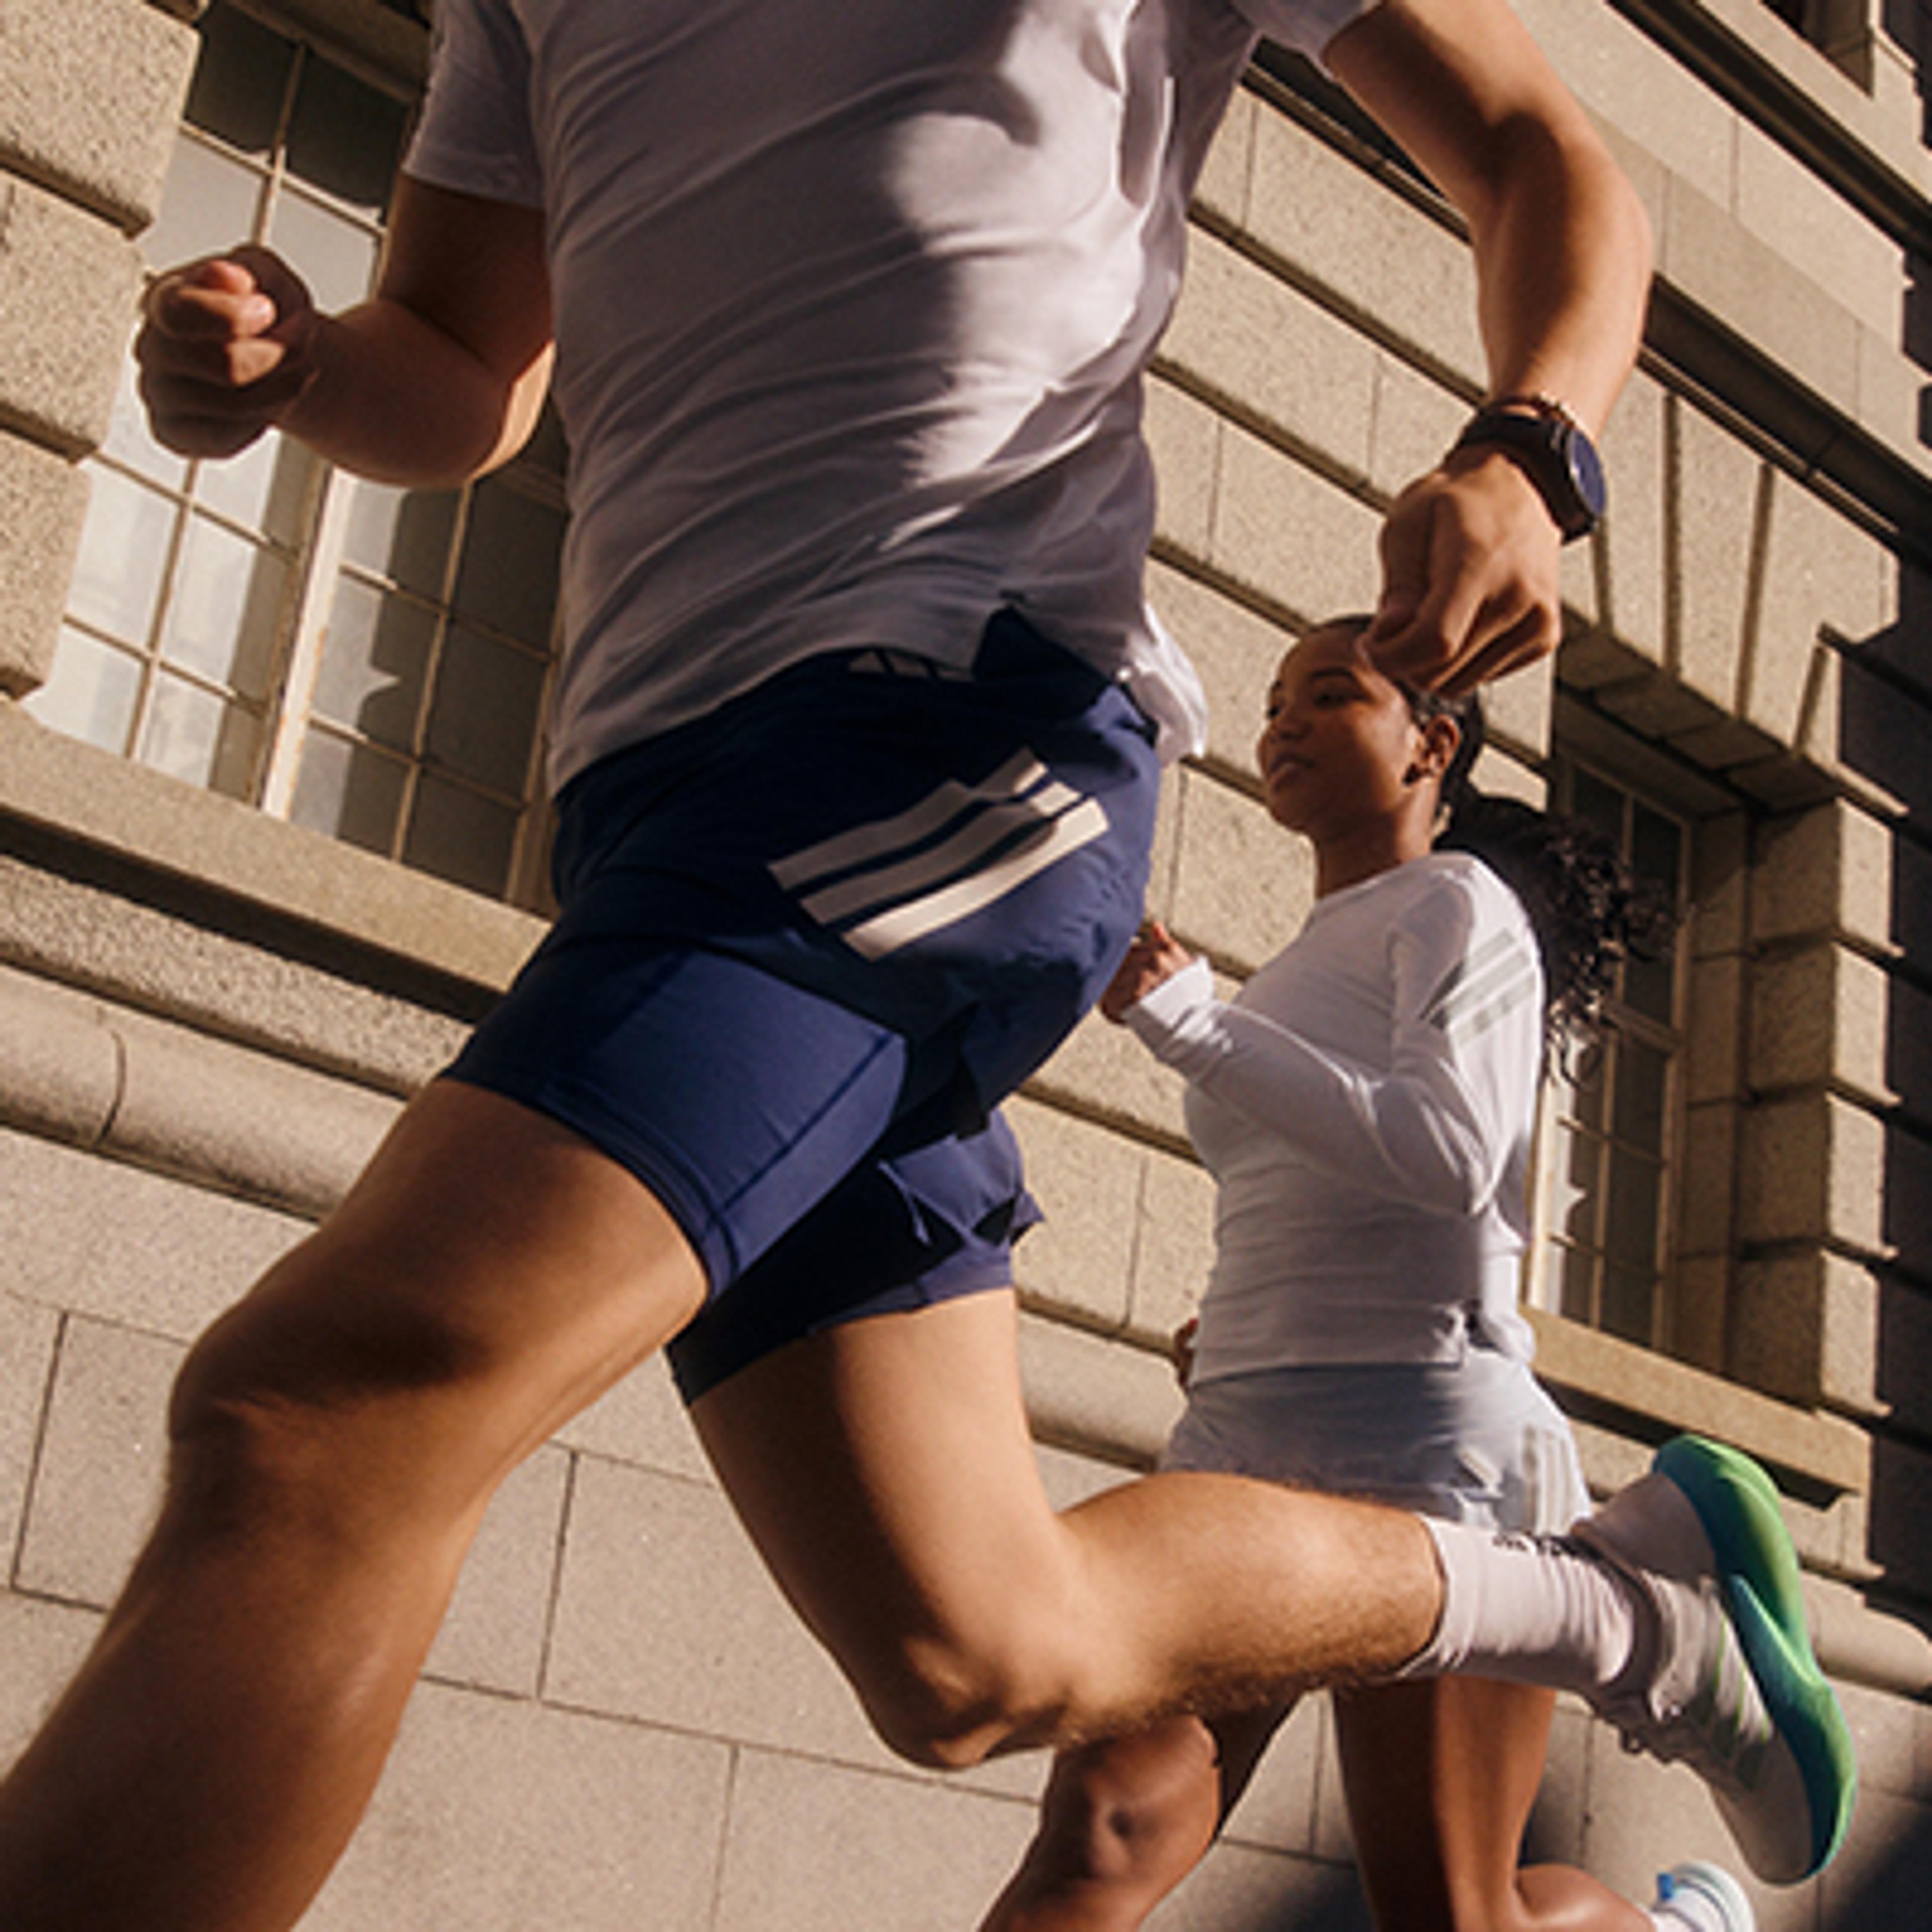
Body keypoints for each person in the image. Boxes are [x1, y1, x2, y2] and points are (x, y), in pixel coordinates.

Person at [0, 4, 1850, 1929]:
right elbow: (468, 364)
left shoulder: (1437, 918)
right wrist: (304, 367)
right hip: (652, 797)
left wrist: (1530, 452)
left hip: (944, 716)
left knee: (323, 1406)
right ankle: (1632, 1611)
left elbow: (1546, 151)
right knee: (980, 1652)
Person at [978, 616, 1758, 1932]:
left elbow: (1450, 1153)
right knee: (1105, 1834)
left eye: (1330, 697)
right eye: (1277, 698)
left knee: (1450, 1916)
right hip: (1245, 1435)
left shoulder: (1463, 908)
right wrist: (1242, 1317)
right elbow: (1309, 1189)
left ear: (1430, 745)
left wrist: (1195, 1031)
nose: (1283, 724)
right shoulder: (1289, 971)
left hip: (1426, 1447)